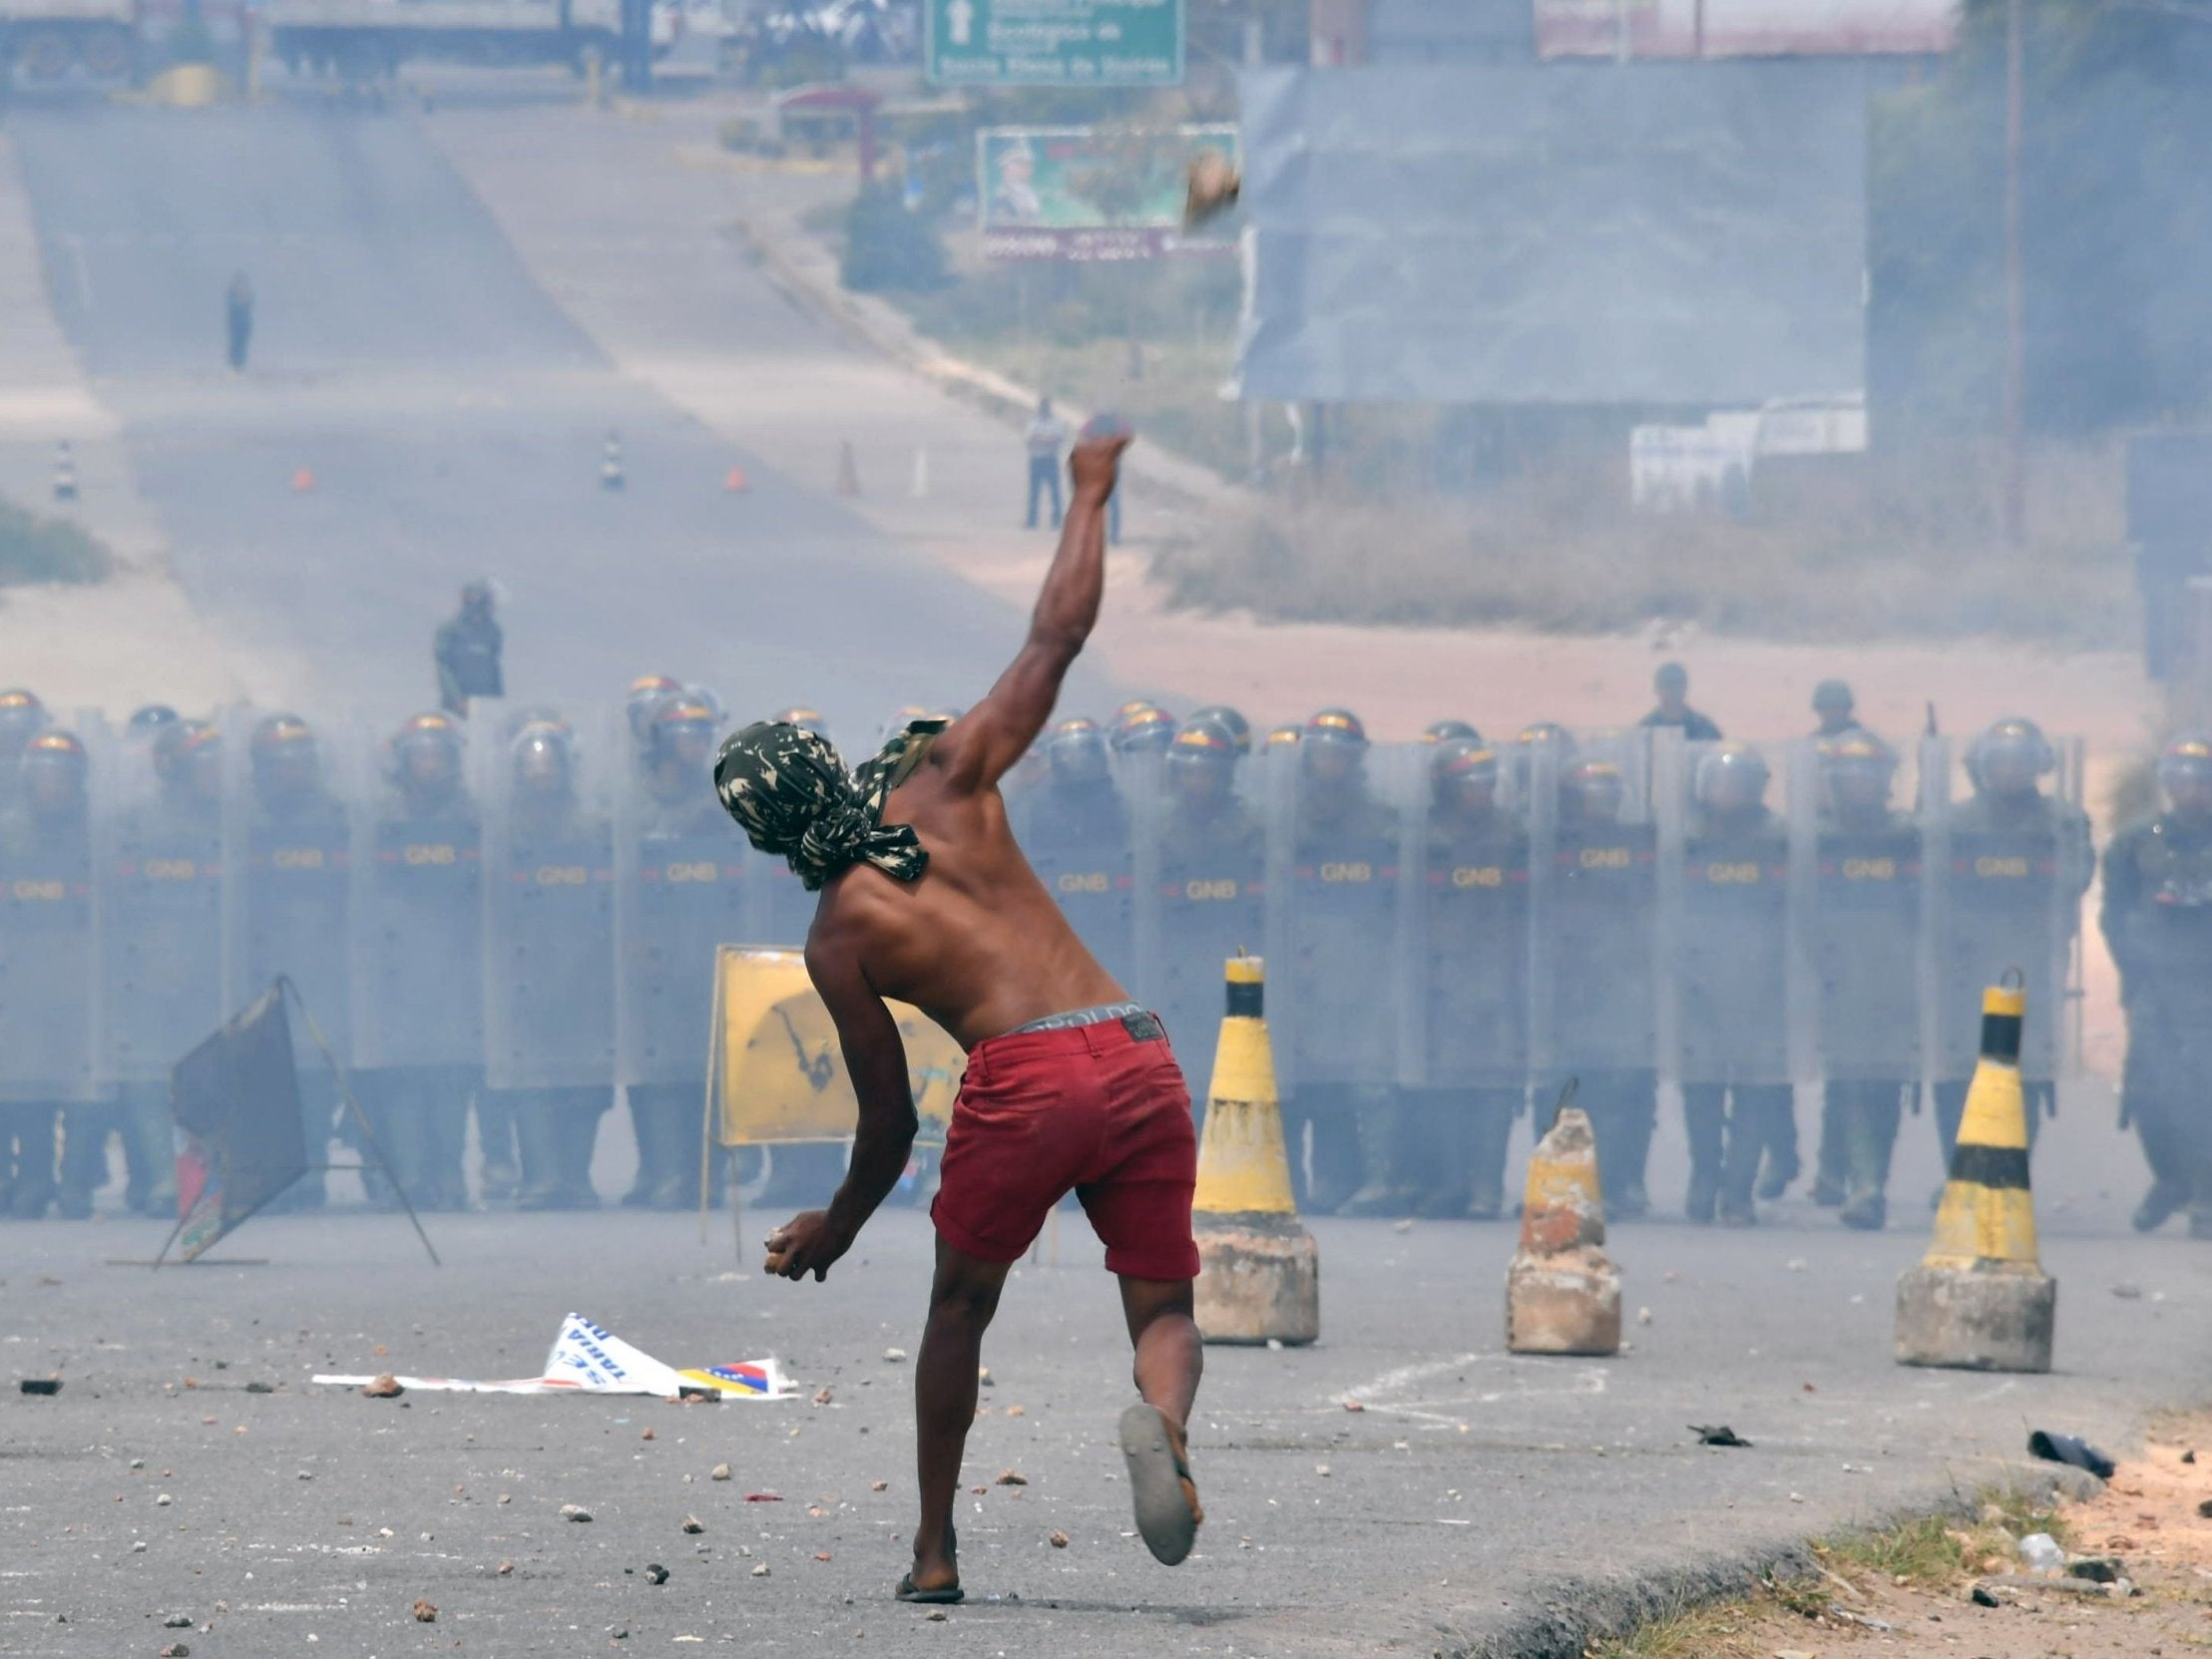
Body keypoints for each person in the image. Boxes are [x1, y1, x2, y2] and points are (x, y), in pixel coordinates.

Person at [713, 428, 1207, 1601]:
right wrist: (1089, 489)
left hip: (1027, 1079)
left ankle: (934, 1553)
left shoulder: (840, 932)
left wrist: (834, 1226)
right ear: (833, 766)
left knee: (960, 1307)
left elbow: (886, 1124)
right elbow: (1056, 637)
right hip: (1134, 1050)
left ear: (768, 830)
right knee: (1165, 1303)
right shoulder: (947, 778)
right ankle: (1169, 1432)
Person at [2101, 735, 2212, 1237]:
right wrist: (2133, 972)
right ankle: (2169, 1179)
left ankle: (2205, 1194)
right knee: (2148, 1090)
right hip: (2154, 984)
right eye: (2179, 779)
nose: (2189, 790)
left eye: (2199, 780)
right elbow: (2115, 912)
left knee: (2199, 1088)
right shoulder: (2136, 840)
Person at [435, 583, 505, 719]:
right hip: (457, 704)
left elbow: (495, 666)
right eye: (485, 605)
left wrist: (498, 698)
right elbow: (444, 667)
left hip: (487, 701)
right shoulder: (450, 631)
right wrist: (456, 698)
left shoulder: (493, 632)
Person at [1637, 663, 1722, 742]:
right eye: (1667, 685)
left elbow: (1717, 752)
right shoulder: (1645, 729)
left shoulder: (1704, 727)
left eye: (1678, 684)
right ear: (1656, 689)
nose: (1673, 690)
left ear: (1685, 687)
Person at [1024, 397, 1069, 531]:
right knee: (1034, 492)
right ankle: (1032, 520)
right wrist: (1046, 439)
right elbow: (1029, 440)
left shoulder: (1056, 422)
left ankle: (1057, 519)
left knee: (1054, 491)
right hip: (1036, 459)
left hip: (1050, 459)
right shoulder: (1034, 422)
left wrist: (1040, 439)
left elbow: (1057, 440)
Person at [224, 272, 254, 373]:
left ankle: (241, 365)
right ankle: (234, 365)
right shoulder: (232, 292)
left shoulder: (247, 293)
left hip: (244, 323)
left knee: (242, 343)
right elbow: (233, 307)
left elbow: (249, 307)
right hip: (235, 323)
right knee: (235, 343)